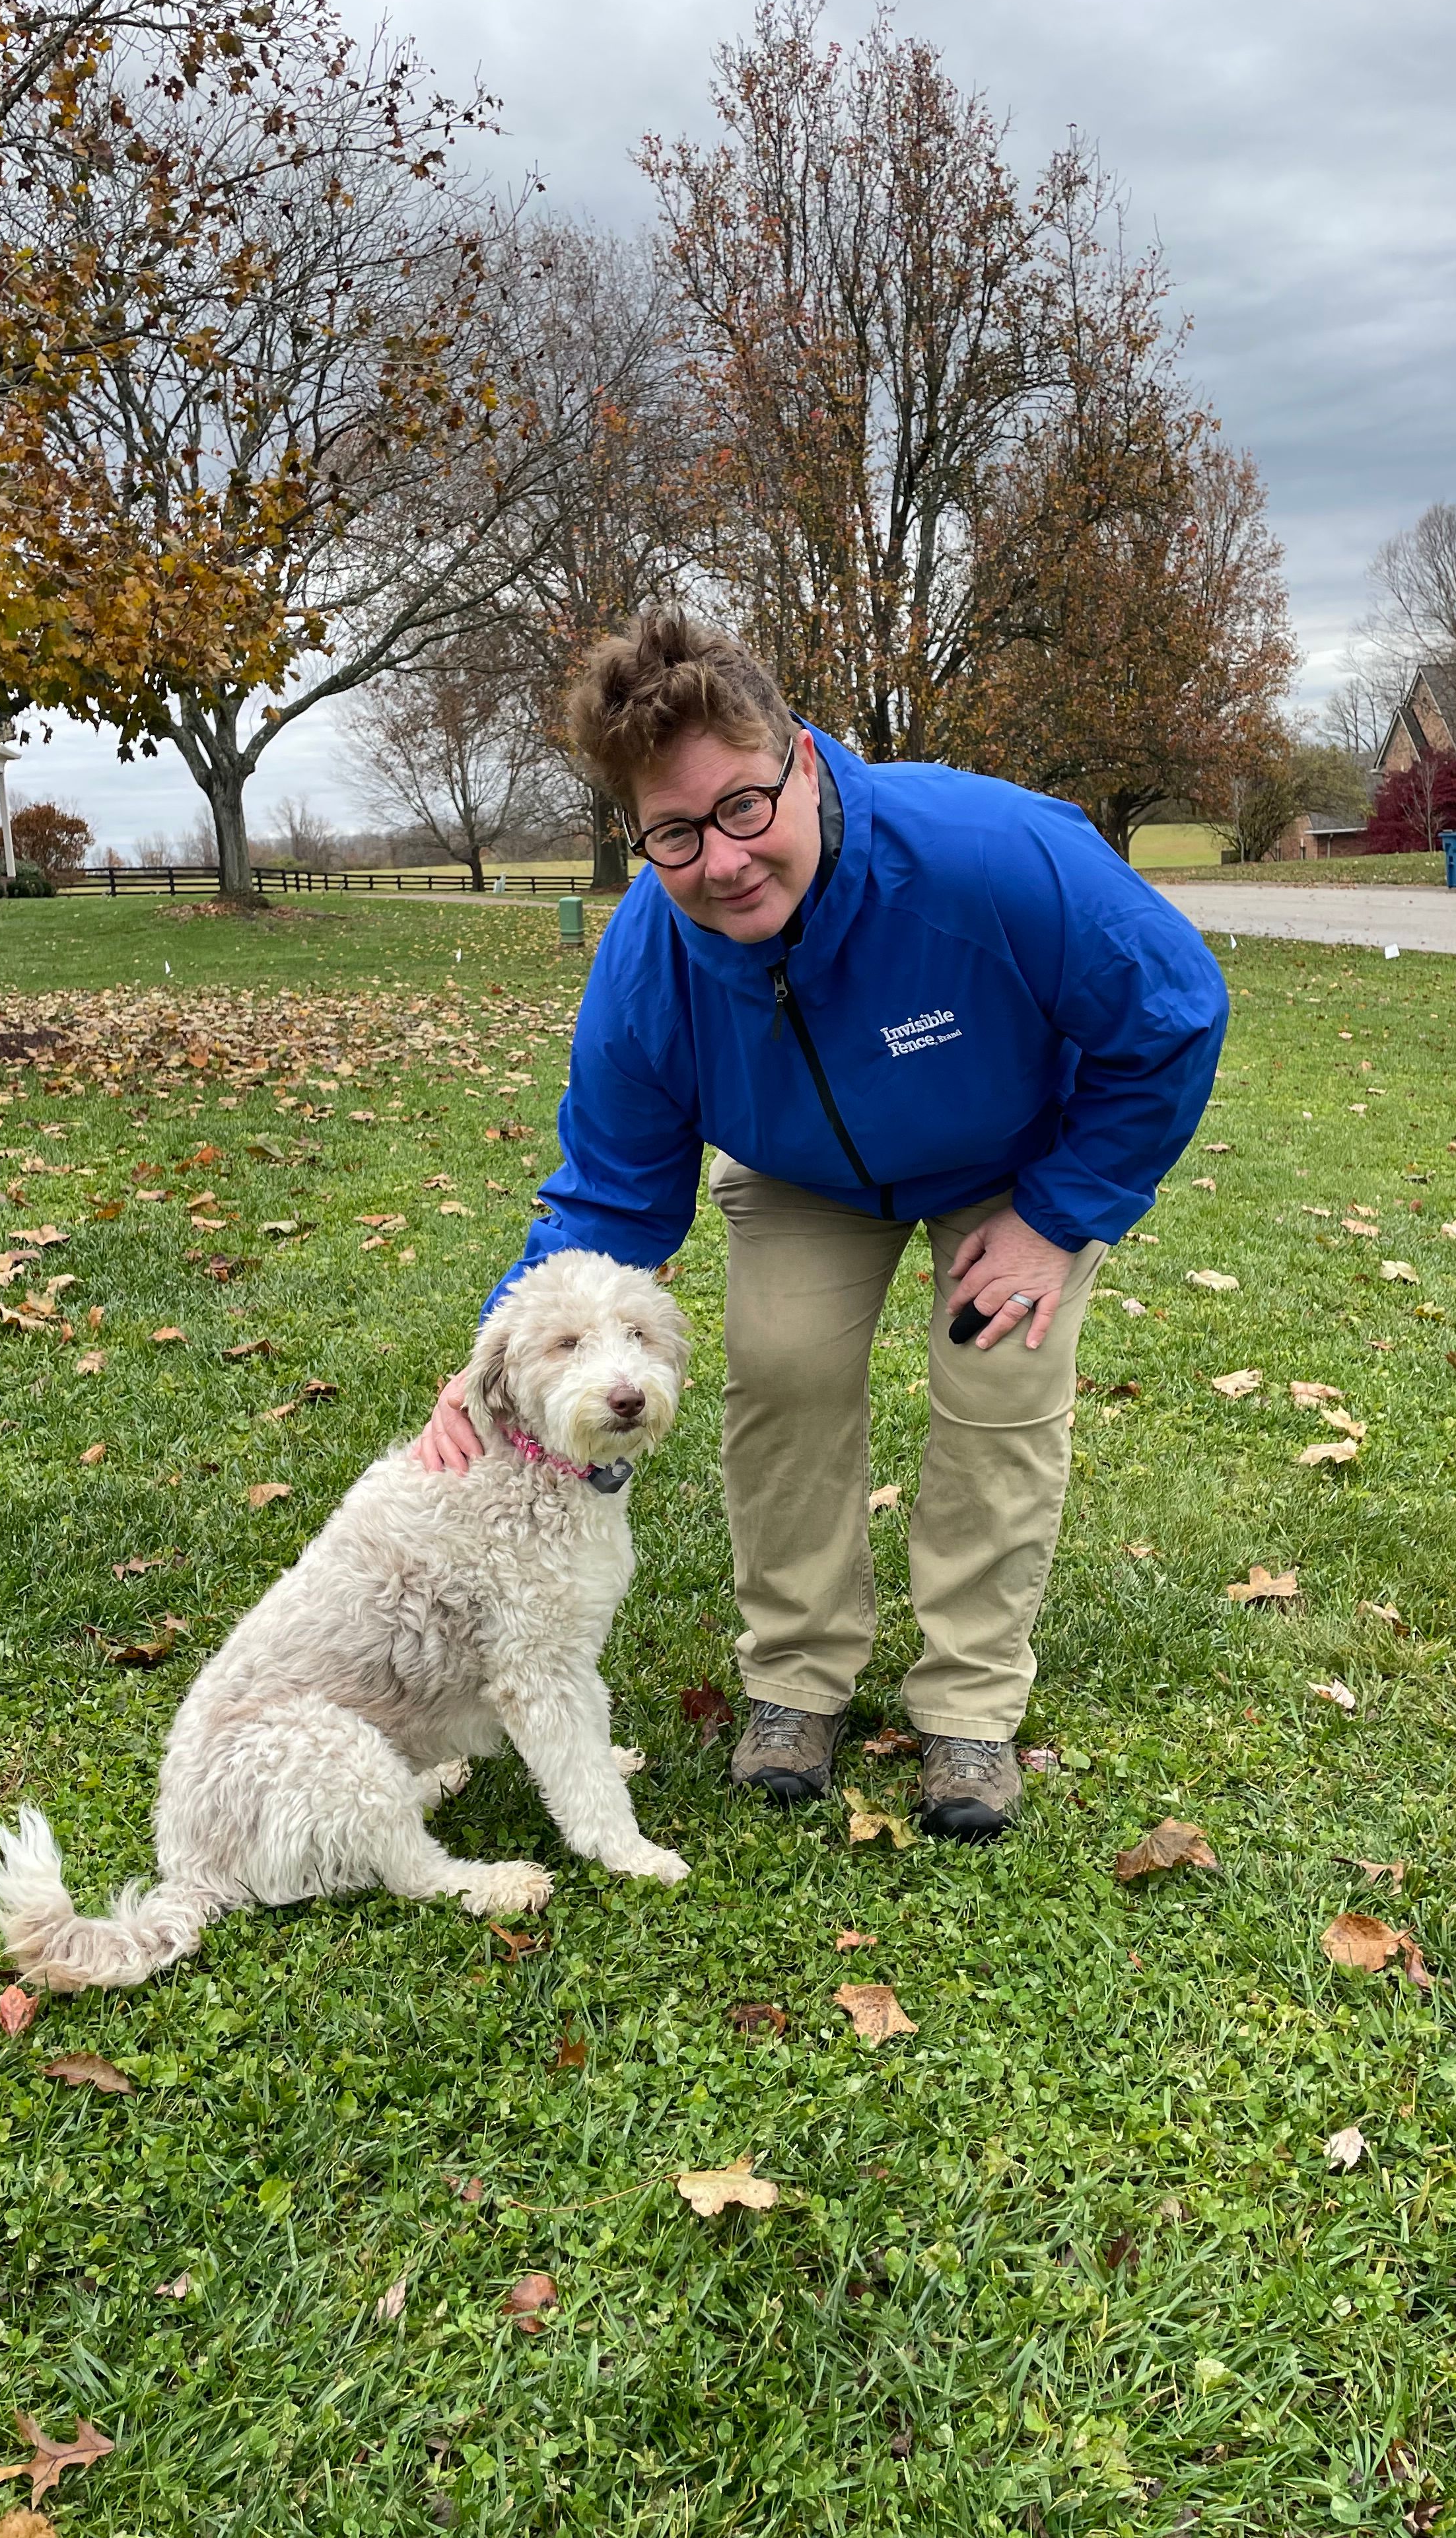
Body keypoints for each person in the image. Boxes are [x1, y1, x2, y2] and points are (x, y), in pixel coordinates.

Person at [417, 611, 1228, 1842]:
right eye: (675, 834)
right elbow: (611, 1194)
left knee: (996, 1377)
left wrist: (1058, 1220)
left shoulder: (986, 851)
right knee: (784, 1371)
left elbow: (1173, 1010)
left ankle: (969, 1708)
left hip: (1012, 1164)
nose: (724, 862)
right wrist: (490, 1360)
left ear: (802, 757)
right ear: (639, 838)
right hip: (806, 1175)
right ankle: (797, 1683)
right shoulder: (650, 956)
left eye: (745, 806)